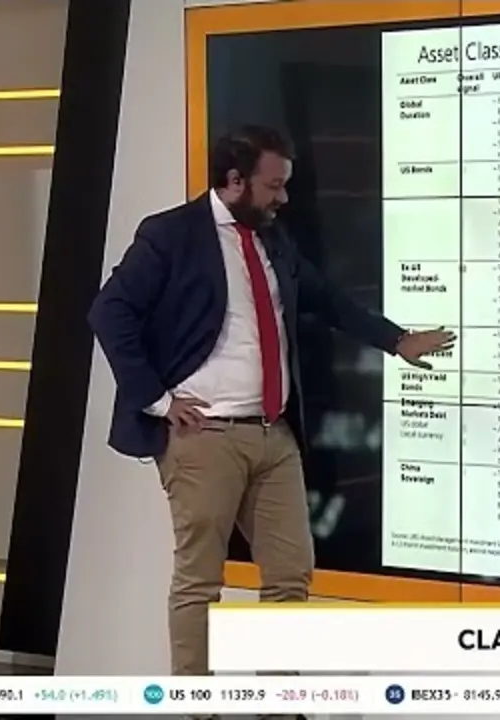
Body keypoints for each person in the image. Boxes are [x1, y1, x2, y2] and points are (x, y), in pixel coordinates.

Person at [88, 126, 453, 688]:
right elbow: (109, 312)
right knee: (200, 582)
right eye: (274, 185)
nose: (283, 197)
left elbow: (328, 300)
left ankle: (279, 700)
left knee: (289, 575)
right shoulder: (171, 235)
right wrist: (158, 400)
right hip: (204, 438)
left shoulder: (272, 239)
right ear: (235, 181)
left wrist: (396, 340)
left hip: (273, 436)